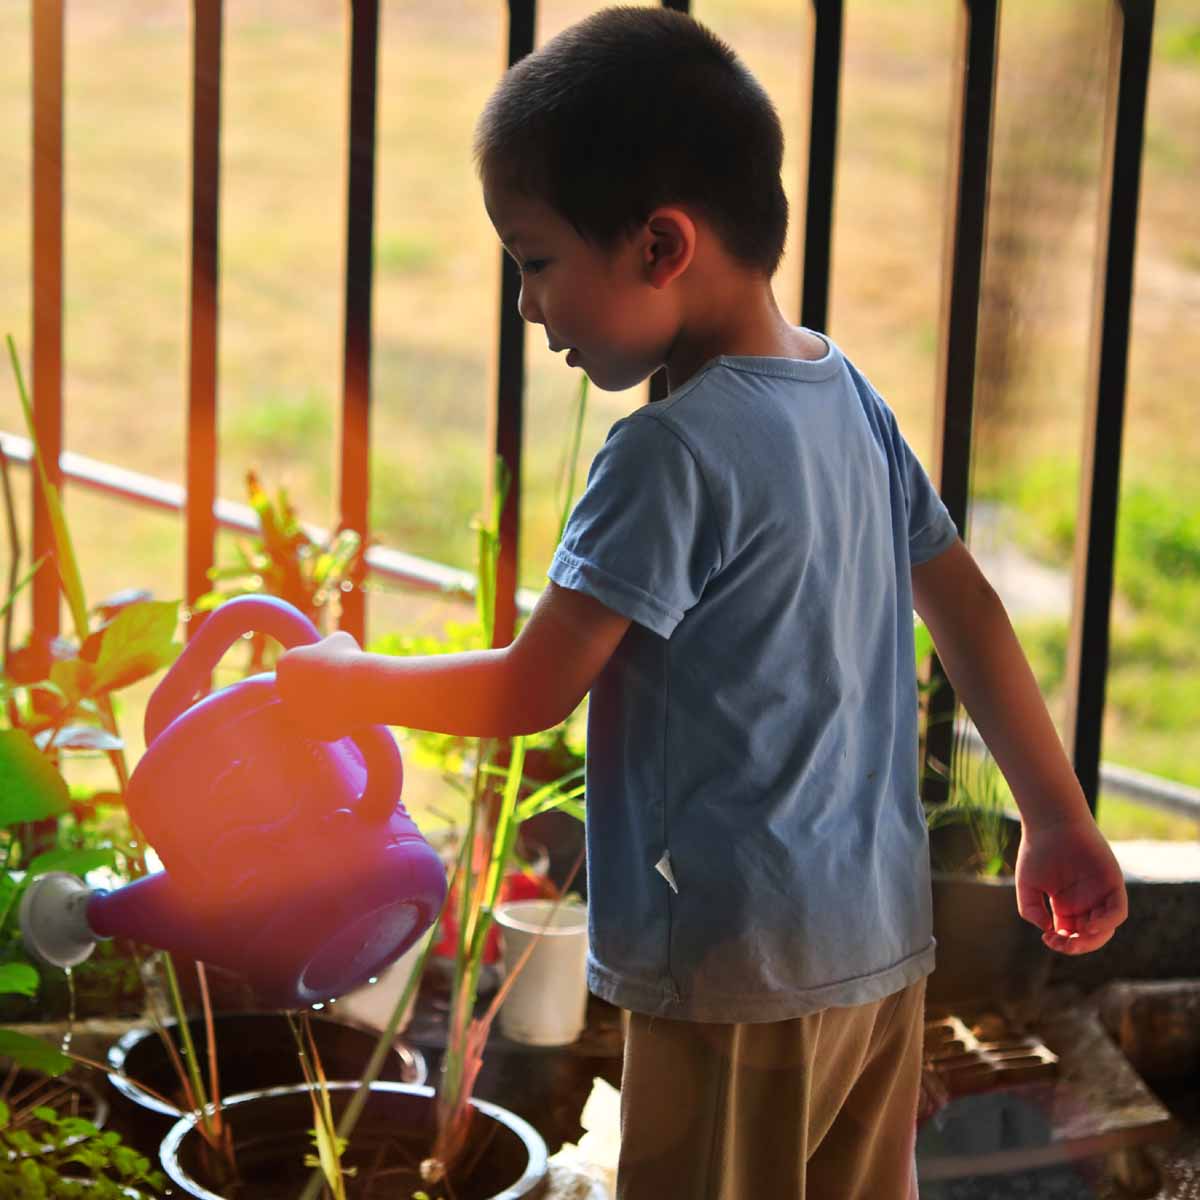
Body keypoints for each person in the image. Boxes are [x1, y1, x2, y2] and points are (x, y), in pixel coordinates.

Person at [277, 8, 1128, 1197]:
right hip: (881, 950)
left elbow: (533, 688)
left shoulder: (668, 454)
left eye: (535, 260)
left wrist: (345, 685)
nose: (528, 307)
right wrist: (1056, 815)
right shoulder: (847, 396)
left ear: (660, 245)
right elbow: (971, 610)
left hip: (735, 974)